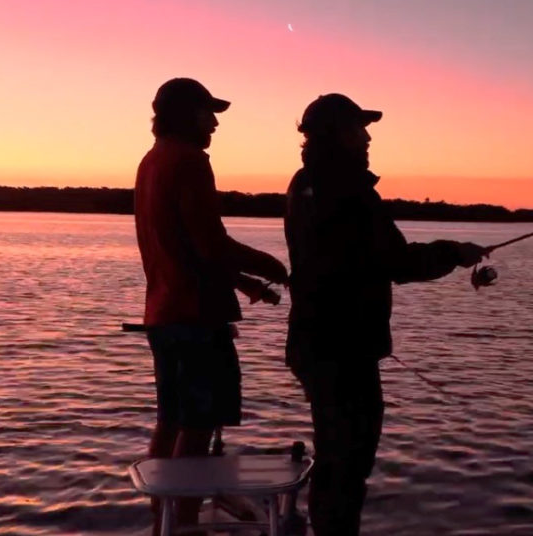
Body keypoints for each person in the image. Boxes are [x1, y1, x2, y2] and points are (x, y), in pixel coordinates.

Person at [284, 93, 485, 536]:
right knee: (348, 461)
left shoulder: (304, 182)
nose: (368, 135)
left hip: (313, 342)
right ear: (340, 132)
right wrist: (454, 252)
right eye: (360, 127)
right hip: (344, 348)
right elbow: (395, 261)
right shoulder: (348, 188)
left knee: (335, 459)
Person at [134, 77, 289, 535]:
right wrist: (270, 264)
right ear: (186, 115)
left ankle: (158, 519)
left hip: (163, 315)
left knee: (171, 420)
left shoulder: (151, 162)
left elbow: (185, 247)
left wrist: (244, 284)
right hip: (197, 318)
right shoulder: (190, 162)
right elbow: (209, 243)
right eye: (208, 113)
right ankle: (182, 524)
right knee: (198, 428)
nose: (216, 123)